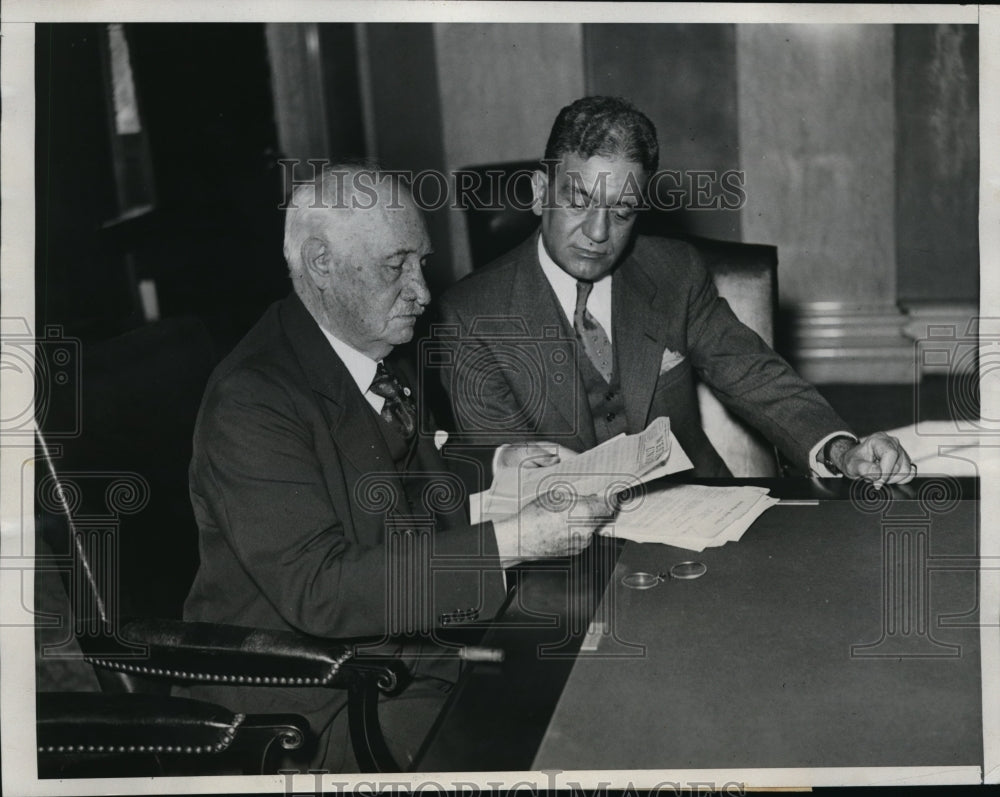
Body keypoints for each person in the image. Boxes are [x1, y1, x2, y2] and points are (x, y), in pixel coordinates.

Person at [182, 164, 608, 772]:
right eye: (395, 267)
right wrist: (515, 540)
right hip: (311, 705)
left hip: (408, 652)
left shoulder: (368, 346)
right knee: (563, 745)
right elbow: (321, 590)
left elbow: (396, 480)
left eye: (422, 262)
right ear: (321, 262)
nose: (423, 291)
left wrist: (497, 469)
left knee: (586, 684)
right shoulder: (252, 401)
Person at [435, 96, 915, 487]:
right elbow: (513, 482)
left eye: (622, 211)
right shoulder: (471, 316)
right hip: (571, 544)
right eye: (579, 200)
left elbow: (754, 374)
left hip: (702, 512)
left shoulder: (674, 272)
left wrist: (840, 449)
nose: (599, 233)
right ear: (540, 191)